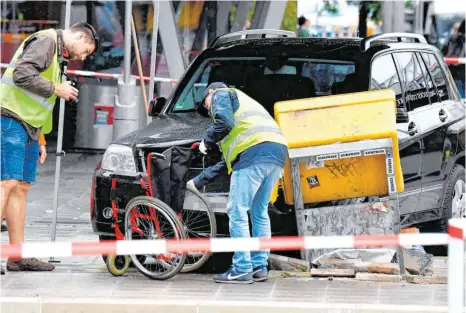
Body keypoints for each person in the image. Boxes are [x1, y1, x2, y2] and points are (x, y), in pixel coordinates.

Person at [0, 22, 99, 273]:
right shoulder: (46, 42)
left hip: (29, 127)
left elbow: (41, 101)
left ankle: (16, 256)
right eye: (85, 50)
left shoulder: (57, 54)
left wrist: (42, 138)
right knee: (8, 183)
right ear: (78, 36)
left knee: (20, 187)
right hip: (11, 118)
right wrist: (57, 88)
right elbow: (22, 75)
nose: (82, 56)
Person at [187, 83, 288, 284]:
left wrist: (206, 142)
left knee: (237, 210)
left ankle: (242, 268)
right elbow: (228, 163)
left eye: (206, 105)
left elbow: (223, 123)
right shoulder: (245, 114)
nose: (209, 111)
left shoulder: (222, 94)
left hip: (255, 154)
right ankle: (260, 266)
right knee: (259, 212)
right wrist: (198, 182)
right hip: (276, 152)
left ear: (211, 93)